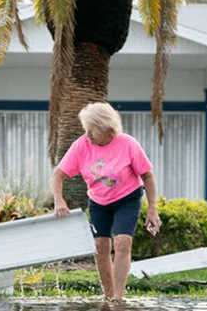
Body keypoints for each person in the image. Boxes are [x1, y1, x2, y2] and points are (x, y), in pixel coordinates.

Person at [51, 102, 161, 301]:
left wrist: (152, 209)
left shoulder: (128, 144)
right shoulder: (81, 145)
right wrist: (59, 200)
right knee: (101, 246)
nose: (88, 135)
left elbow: (147, 176)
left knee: (122, 243)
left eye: (91, 130)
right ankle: (108, 296)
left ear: (105, 128)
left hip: (127, 198)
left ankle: (118, 299)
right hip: (99, 202)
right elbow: (58, 175)